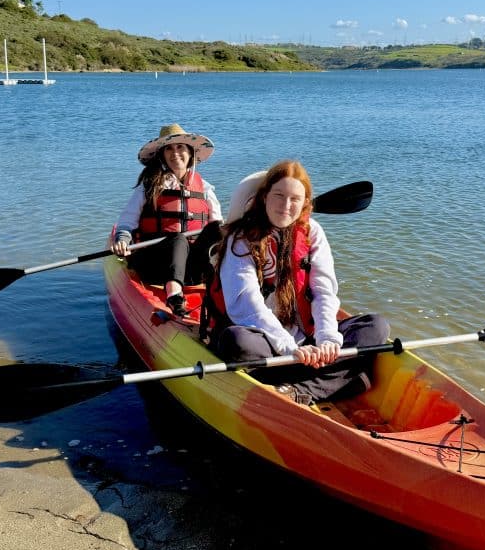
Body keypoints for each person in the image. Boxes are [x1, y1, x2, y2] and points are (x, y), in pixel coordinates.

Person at [206, 160, 389, 405]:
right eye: (279, 196)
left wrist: (327, 340)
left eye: (295, 199)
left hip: (307, 338)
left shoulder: (312, 232)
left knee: (376, 327)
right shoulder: (240, 240)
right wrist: (290, 349)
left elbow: (324, 291)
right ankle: (343, 379)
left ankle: (298, 389)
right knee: (236, 341)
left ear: (305, 203)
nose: (285, 206)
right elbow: (246, 305)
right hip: (266, 340)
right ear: (264, 197)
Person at [112, 124, 222, 316]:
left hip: (191, 269)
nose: (175, 153)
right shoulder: (149, 186)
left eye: (180, 147)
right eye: (169, 149)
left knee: (217, 230)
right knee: (178, 238)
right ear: (162, 155)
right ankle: (174, 296)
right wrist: (122, 240)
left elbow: (217, 228)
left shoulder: (204, 188)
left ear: (190, 153)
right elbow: (127, 221)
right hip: (155, 264)